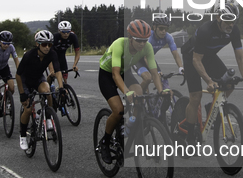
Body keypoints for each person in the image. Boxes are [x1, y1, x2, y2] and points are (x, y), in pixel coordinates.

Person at [178, 0, 243, 144]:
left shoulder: (234, 31)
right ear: (218, 18)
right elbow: (196, 60)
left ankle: (211, 107)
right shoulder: (206, 30)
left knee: (229, 84)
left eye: (234, 20)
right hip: (192, 57)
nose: (231, 24)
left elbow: (240, 57)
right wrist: (209, 81)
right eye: (227, 20)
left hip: (209, 56)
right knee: (196, 97)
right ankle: (189, 137)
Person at [97, 19, 167, 164]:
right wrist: (127, 92)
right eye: (138, 40)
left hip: (125, 71)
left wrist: (161, 91)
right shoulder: (119, 44)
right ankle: (105, 141)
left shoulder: (147, 47)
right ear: (130, 38)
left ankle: (131, 125)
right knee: (118, 110)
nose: (142, 44)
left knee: (139, 95)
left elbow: (154, 72)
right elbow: (115, 74)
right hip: (107, 73)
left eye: (145, 40)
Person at [16, 30, 66, 150]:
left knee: (48, 92)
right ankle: (23, 136)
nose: (47, 47)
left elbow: (58, 70)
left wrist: (61, 87)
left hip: (38, 78)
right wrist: (22, 94)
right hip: (26, 80)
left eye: (49, 44)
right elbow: (18, 75)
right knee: (28, 110)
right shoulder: (29, 55)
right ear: (37, 44)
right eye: (44, 44)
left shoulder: (52, 54)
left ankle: (48, 118)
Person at [133, 15, 184, 93]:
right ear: (154, 27)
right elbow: (145, 57)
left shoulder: (168, 37)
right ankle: (137, 96)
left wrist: (181, 68)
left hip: (150, 58)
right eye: (161, 28)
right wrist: (155, 73)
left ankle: (158, 100)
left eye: (166, 29)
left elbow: (175, 54)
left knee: (161, 78)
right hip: (137, 59)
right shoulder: (149, 37)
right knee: (148, 78)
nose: (163, 31)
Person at [0, 31, 20, 126]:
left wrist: (19, 72)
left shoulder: (11, 47)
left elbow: (16, 59)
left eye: (8, 43)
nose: (6, 46)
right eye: (4, 43)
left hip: (4, 68)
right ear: (0, 42)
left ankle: (7, 101)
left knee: (11, 87)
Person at [47, 20, 81, 85]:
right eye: (63, 32)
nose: (66, 34)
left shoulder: (73, 37)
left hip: (62, 56)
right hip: (52, 56)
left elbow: (77, 52)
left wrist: (74, 65)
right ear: (59, 31)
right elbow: (49, 54)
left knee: (65, 76)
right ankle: (47, 88)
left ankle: (64, 89)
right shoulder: (55, 37)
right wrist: (51, 69)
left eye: (68, 32)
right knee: (53, 74)